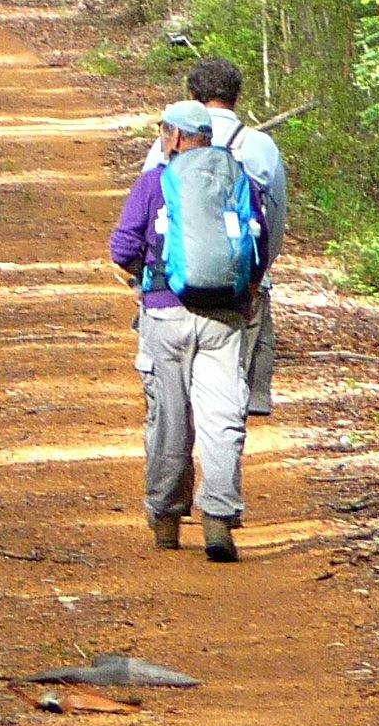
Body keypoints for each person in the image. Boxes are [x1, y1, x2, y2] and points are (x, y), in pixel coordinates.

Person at [110, 98, 271, 561]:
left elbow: (122, 247)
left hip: (165, 313)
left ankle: (166, 517)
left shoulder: (153, 183)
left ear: (176, 138)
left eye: (164, 132)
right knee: (222, 416)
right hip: (226, 316)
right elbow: (258, 244)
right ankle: (219, 519)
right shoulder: (239, 181)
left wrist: (144, 278)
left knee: (171, 417)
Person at [138, 56, 287, 416]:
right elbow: (276, 221)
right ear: (236, 97)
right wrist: (257, 277)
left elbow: (148, 212)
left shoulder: (169, 142)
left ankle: (178, 461)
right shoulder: (261, 146)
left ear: (192, 95)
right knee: (230, 402)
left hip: (172, 291)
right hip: (240, 291)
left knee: (173, 402)